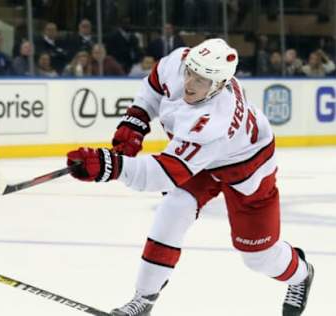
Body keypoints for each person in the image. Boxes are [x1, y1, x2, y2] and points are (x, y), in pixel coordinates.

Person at [66, 38, 315, 316]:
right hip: (198, 159)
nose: (190, 84)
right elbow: (153, 85)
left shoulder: (213, 120)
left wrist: (110, 166)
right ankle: (144, 298)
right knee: (175, 207)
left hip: (247, 166)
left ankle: (301, 274)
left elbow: (163, 174)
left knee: (258, 257)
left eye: (201, 81)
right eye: (190, 74)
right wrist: (135, 120)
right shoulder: (180, 61)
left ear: (219, 85)